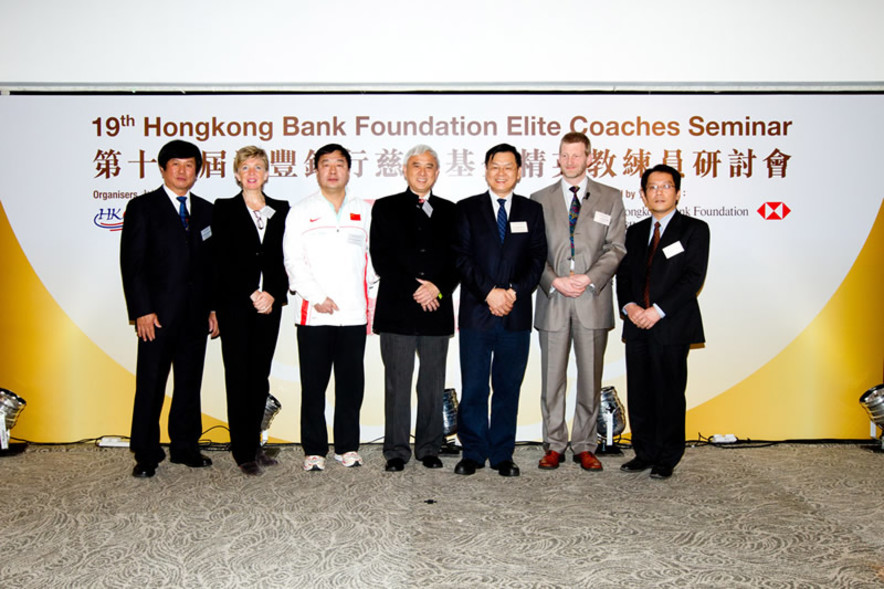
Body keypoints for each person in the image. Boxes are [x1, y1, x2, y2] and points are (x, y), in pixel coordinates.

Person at [120, 139, 219, 478]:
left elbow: (211, 268)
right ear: (162, 169)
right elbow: (132, 265)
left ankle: (185, 446)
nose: (182, 171)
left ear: (197, 171)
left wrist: (213, 308)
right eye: (175, 164)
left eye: (189, 165)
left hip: (195, 315)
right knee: (151, 383)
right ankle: (146, 453)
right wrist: (141, 311)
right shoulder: (142, 207)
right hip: (156, 317)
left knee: (189, 384)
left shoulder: (207, 210)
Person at [531, 132, 626, 472]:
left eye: (577, 155)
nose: (570, 162)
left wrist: (588, 278)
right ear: (558, 158)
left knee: (590, 378)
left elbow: (616, 247)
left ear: (590, 158)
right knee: (551, 381)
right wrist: (554, 279)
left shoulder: (610, 197)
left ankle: (585, 444)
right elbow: (532, 251)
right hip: (553, 299)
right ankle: (554, 444)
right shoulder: (538, 199)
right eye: (564, 156)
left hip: (591, 298)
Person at [452, 143, 547, 477]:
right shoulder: (466, 209)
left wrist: (513, 292)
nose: (502, 172)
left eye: (509, 167)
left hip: (516, 314)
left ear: (519, 172)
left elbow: (537, 259)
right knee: (475, 386)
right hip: (477, 313)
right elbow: (461, 258)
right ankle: (474, 452)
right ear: (486, 169)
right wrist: (490, 292)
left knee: (508, 387)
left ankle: (503, 453)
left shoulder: (531, 211)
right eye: (495, 166)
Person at [282, 143, 375, 472]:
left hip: (353, 313)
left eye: (339, 164)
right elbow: (292, 260)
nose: (332, 170)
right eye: (325, 164)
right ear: (316, 170)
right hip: (314, 314)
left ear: (349, 170)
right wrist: (315, 296)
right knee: (314, 384)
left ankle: (347, 447)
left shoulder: (364, 210)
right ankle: (314, 449)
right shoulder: (301, 211)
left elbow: (374, 260)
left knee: (351, 385)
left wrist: (369, 289)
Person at [616, 164, 710, 479]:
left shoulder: (695, 229)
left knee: (669, 392)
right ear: (643, 195)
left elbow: (692, 278)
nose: (659, 192)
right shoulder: (635, 231)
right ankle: (644, 452)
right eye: (652, 187)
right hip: (637, 324)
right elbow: (625, 276)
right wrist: (630, 307)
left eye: (666, 186)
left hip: (671, 324)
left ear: (678, 193)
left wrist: (656, 310)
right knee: (639, 391)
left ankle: (668, 456)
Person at [370, 145, 458, 472]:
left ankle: (429, 447)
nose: (423, 172)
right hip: (397, 310)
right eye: (416, 166)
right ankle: (395, 449)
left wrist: (437, 287)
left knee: (432, 383)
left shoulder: (451, 211)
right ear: (405, 171)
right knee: (398, 382)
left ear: (437, 172)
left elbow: (458, 259)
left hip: (436, 308)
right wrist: (416, 288)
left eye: (429, 167)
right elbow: (382, 258)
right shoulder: (386, 207)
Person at [212, 146, 290, 476]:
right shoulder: (224, 209)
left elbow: (288, 258)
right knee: (238, 377)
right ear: (237, 174)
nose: (252, 173)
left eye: (258, 167)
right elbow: (220, 260)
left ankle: (256, 444)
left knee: (259, 377)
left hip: (269, 306)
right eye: (246, 167)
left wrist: (273, 293)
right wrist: (250, 293)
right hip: (235, 306)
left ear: (267, 173)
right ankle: (242, 451)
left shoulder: (282, 209)